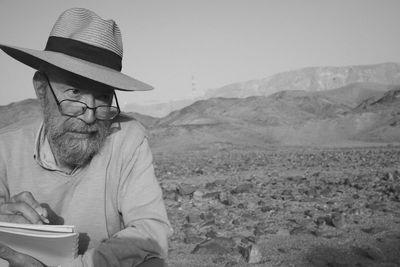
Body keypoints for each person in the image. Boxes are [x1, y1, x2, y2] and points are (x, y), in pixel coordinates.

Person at [0, 7, 172, 267]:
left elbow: (152, 232)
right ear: (41, 89)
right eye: (74, 92)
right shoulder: (5, 149)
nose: (90, 117)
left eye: (103, 96)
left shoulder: (127, 138)